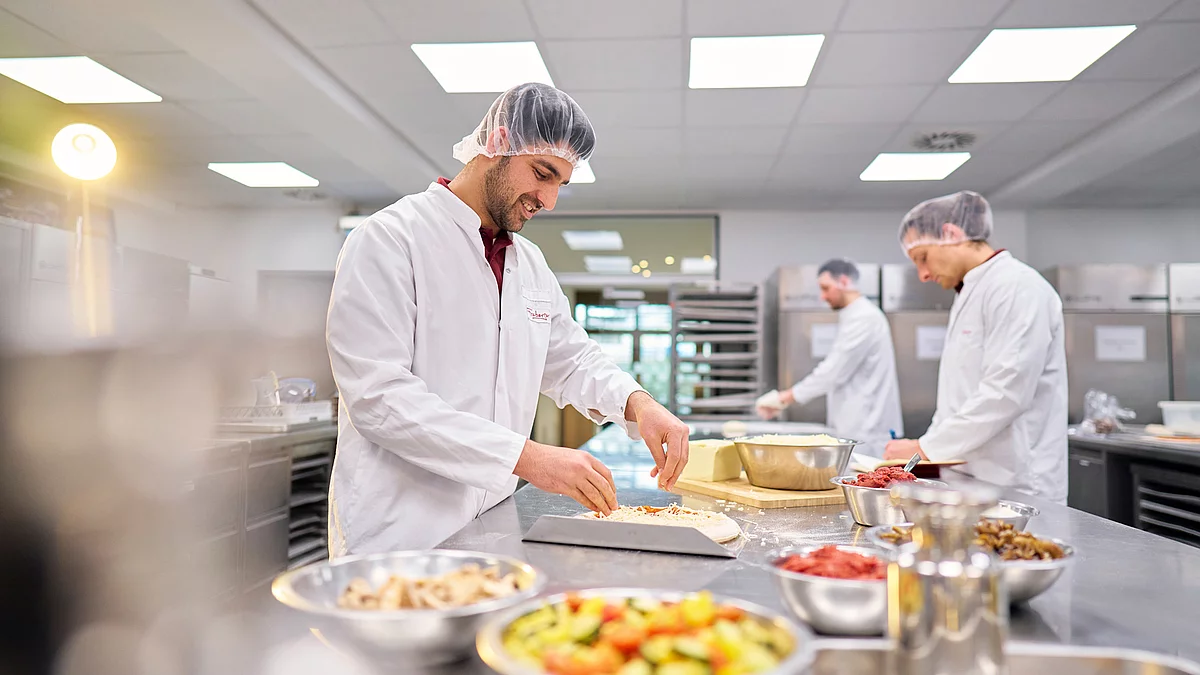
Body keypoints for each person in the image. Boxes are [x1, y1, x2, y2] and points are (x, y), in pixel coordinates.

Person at [325, 83, 690, 556]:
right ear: (497, 143)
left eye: (560, 183)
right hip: (399, 536)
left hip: (490, 528)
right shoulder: (391, 239)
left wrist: (638, 403)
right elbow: (378, 397)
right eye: (542, 173)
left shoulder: (528, 263)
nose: (549, 200)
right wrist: (526, 457)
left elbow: (572, 359)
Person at [883, 191, 1068, 503]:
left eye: (922, 258)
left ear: (951, 234)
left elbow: (1006, 391)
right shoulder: (971, 291)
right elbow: (957, 396)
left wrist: (926, 448)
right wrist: (928, 447)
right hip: (969, 476)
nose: (923, 274)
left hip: (1017, 483)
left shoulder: (1017, 286)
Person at [755, 259, 903, 455]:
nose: (822, 296)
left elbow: (833, 372)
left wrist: (784, 398)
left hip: (868, 429)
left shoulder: (865, 318)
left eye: (826, 288)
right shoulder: (853, 316)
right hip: (857, 427)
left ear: (844, 282)